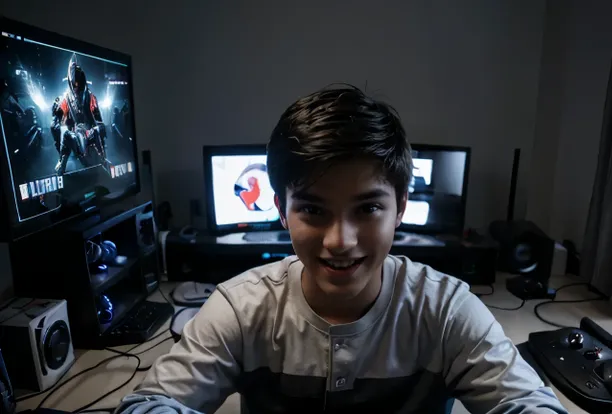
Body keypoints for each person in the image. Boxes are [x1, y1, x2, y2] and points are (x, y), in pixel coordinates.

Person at [116, 85, 567, 414]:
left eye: (368, 207)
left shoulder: (445, 310)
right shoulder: (240, 308)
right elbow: (150, 402)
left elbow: (527, 402)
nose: (339, 241)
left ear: (401, 207)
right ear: (281, 209)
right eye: (313, 209)